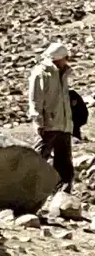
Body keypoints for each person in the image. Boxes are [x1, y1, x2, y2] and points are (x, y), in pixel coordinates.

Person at [32, 43, 76, 188]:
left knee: (64, 161)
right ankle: (26, 187)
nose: (67, 60)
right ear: (59, 58)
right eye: (65, 58)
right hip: (49, 124)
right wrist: (38, 121)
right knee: (39, 158)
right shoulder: (42, 73)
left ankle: (63, 192)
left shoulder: (63, 72)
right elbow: (35, 99)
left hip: (63, 124)